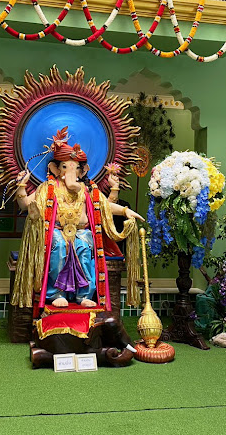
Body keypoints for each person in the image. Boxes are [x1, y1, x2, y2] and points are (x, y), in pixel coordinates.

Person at [11, 127, 142, 310]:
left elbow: (104, 206)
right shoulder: (47, 188)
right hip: (57, 232)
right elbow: (25, 204)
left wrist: (125, 211)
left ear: (82, 171)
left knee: (84, 248)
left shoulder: (87, 190)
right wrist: (21, 186)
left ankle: (84, 294)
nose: (70, 173)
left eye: (74, 168)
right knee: (58, 248)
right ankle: (56, 293)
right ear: (55, 169)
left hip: (80, 232)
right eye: (65, 167)